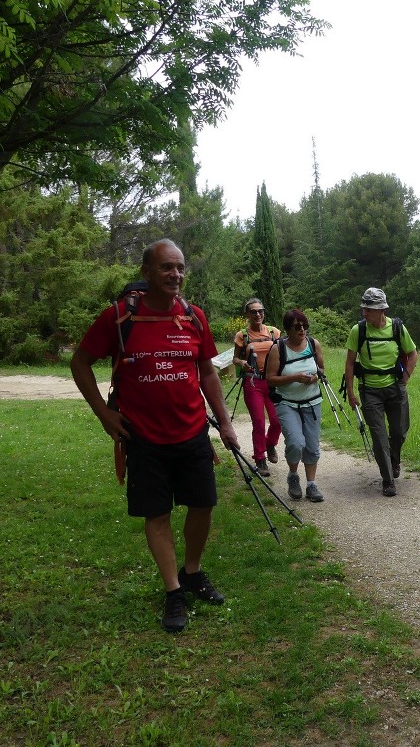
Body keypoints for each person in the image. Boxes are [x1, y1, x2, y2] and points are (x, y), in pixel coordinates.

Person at [70, 238, 239, 634]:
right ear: (146, 273)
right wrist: (102, 414)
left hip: (193, 431)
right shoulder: (118, 318)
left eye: (180, 267)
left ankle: (193, 571)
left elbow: (208, 371)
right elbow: (80, 362)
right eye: (166, 267)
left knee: (203, 505)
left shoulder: (194, 317)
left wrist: (225, 422)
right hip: (143, 437)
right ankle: (173, 591)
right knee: (157, 515)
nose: (175, 275)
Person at [343, 287, 418, 497]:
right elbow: (349, 363)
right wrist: (351, 393)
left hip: (395, 388)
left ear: (381, 310)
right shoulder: (358, 330)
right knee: (379, 436)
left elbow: (413, 354)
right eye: (364, 309)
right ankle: (387, 480)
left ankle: (394, 459)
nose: (364, 313)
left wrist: (405, 378)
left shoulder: (396, 328)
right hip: (370, 391)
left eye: (368, 309)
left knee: (399, 431)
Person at [265, 309, 325, 503]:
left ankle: (311, 484)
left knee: (312, 446)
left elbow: (321, 369)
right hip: (287, 403)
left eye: (305, 326)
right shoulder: (278, 348)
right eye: (297, 327)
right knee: (296, 443)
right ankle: (292, 475)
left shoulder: (314, 344)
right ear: (287, 329)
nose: (302, 330)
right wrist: (295, 378)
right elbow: (271, 379)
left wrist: (315, 377)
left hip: (312, 401)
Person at [231, 298, 281, 477]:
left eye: (260, 311)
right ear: (247, 315)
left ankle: (270, 444)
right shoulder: (242, 335)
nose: (257, 314)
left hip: (273, 382)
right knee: (259, 422)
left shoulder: (274, 333)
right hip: (253, 382)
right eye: (253, 312)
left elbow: (283, 353)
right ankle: (260, 458)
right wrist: (242, 362)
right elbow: (235, 358)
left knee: (277, 420)